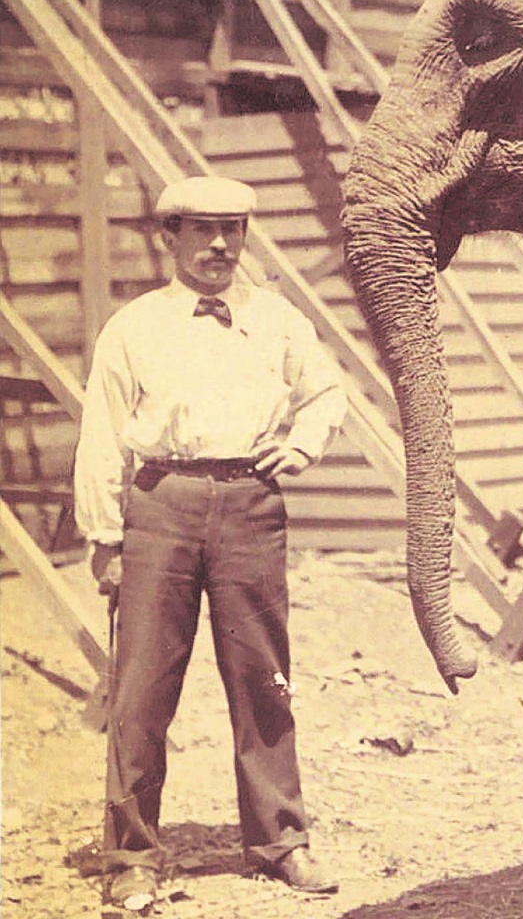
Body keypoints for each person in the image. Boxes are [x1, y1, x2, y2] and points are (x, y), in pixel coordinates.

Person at [74, 175, 347, 905]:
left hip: (251, 506)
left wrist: (302, 447)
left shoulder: (280, 320)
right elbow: (102, 435)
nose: (221, 245)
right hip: (161, 505)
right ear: (170, 237)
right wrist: (103, 533)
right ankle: (132, 855)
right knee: (142, 687)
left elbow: (326, 391)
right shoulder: (134, 327)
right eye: (203, 230)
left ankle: (279, 842)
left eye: (233, 229)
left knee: (263, 679)